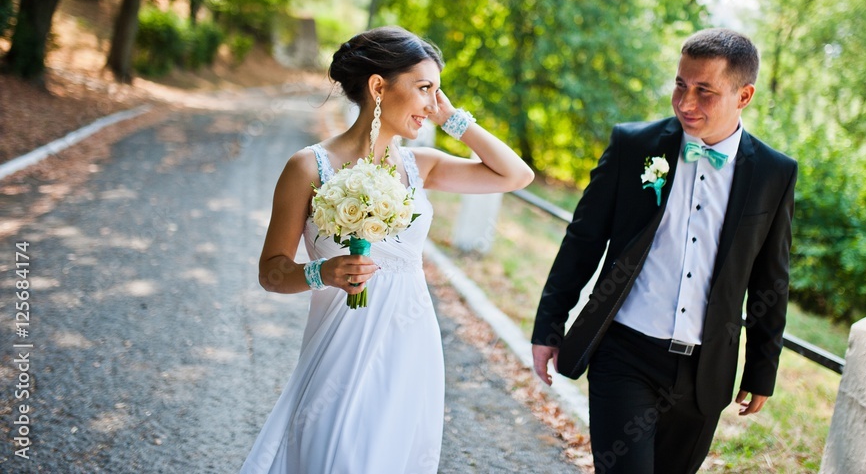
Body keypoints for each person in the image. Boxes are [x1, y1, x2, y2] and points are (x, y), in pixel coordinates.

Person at [241, 26, 534, 474]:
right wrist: (324, 273)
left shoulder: (422, 167)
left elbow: (516, 175)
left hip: (410, 349)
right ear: (379, 86)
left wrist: (454, 119)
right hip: (339, 347)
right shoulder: (308, 167)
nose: (432, 104)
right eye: (424, 89)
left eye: (438, 92)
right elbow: (272, 271)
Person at [531, 28, 797, 474]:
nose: (685, 103)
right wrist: (549, 325)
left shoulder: (775, 173)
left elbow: (772, 277)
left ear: (744, 95)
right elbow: (584, 239)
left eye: (704, 91)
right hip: (625, 354)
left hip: (705, 372)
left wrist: (761, 368)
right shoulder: (633, 146)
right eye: (680, 84)